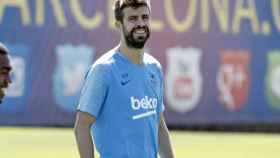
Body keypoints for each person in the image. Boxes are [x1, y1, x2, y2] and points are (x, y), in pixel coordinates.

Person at [74, 0, 175, 157]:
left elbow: (159, 126)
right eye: (132, 19)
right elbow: (82, 126)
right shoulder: (103, 70)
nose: (140, 23)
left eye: (144, 17)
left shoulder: (155, 68)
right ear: (118, 24)